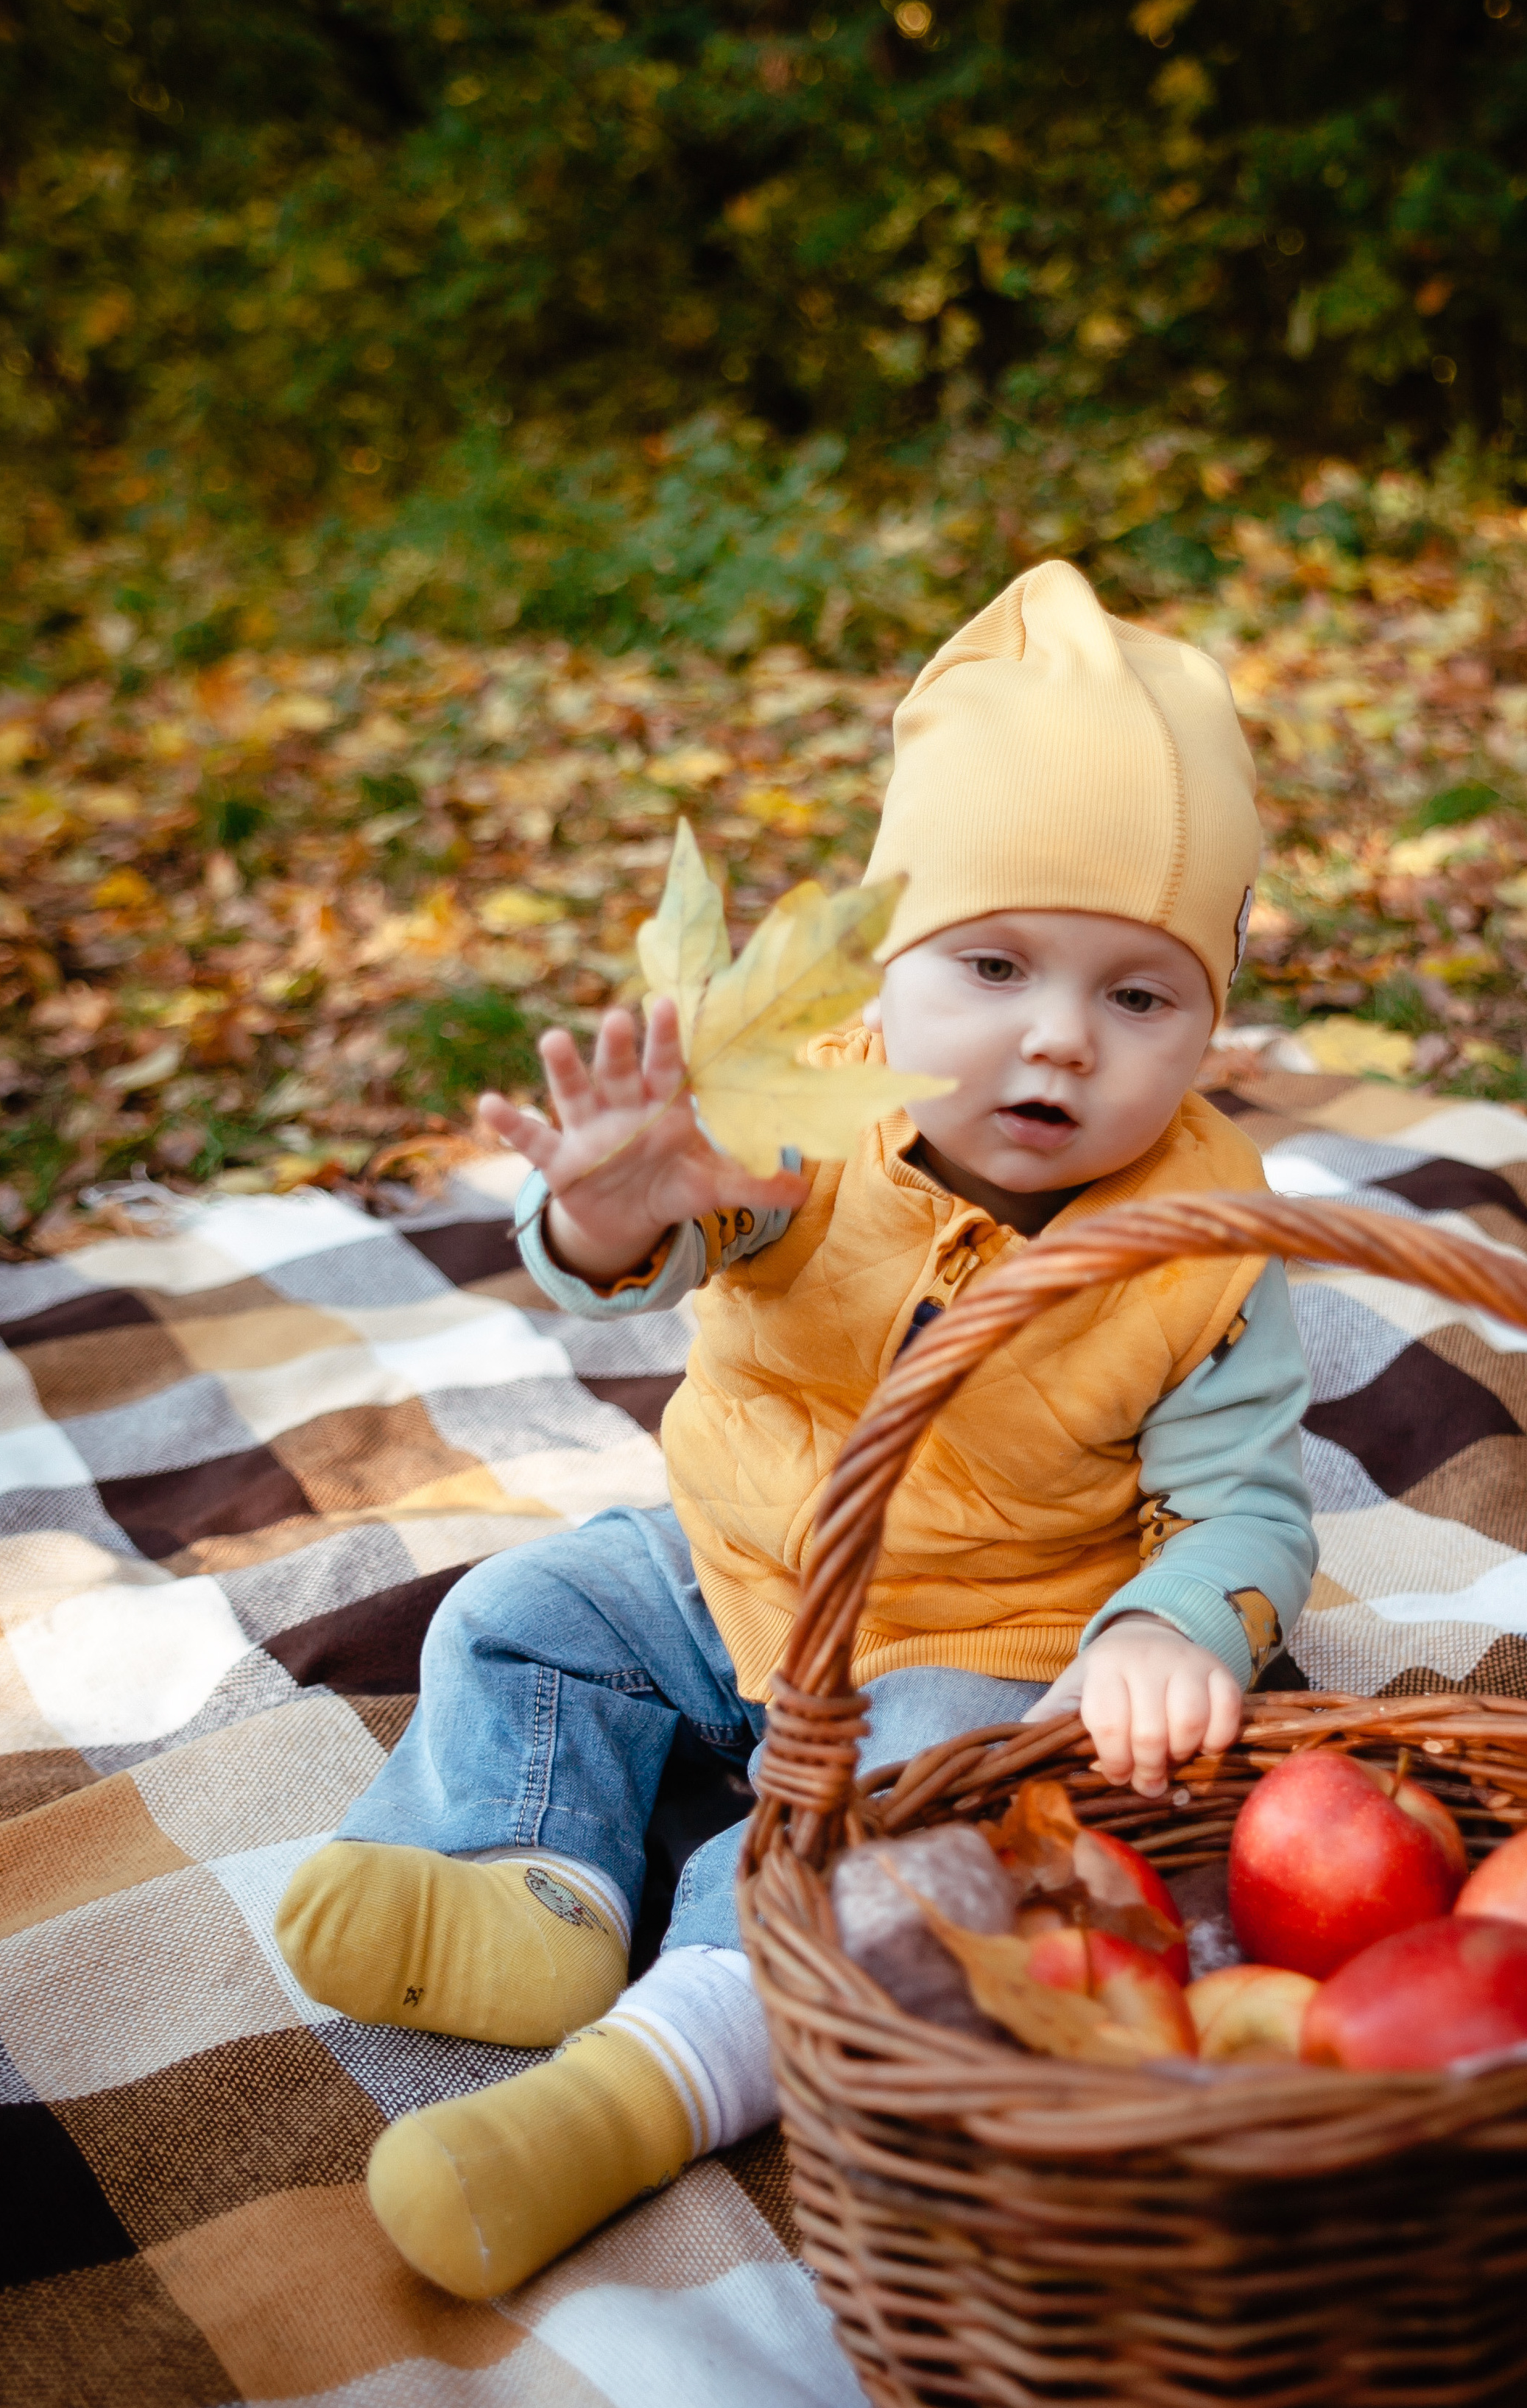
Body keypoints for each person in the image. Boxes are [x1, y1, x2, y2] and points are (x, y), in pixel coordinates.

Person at [276, 560, 1317, 2296]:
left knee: (900, 1848)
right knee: (514, 1614)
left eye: (1141, 998)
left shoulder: (1207, 1240)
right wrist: (618, 1207)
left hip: (976, 1634)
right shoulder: (807, 1111)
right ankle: (528, 1884)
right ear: (888, 960)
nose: (1058, 1037)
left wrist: (1170, 1623)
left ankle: (646, 2082)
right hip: (727, 1571)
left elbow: (1251, 1509)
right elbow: (678, 1234)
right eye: (991, 964)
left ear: (1210, 1015)